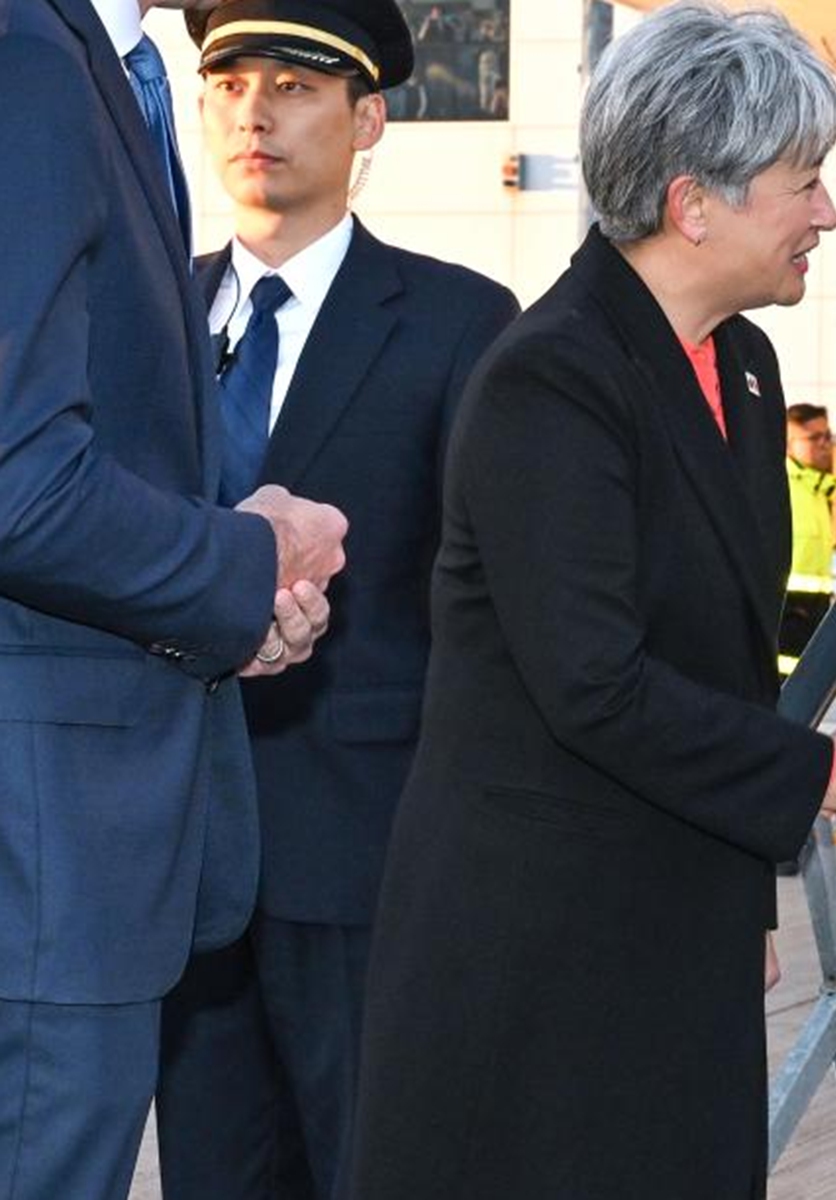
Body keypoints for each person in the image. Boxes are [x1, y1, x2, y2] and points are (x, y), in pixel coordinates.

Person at [340, 7, 836, 1198]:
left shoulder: (745, 366)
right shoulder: (550, 379)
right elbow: (595, 684)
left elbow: (723, 661)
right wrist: (823, 775)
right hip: (539, 953)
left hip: (676, 916)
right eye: (803, 183)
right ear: (692, 205)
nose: (826, 213)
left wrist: (742, 897)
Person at [152, 4, 521, 1198]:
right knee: (209, 1173)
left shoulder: (461, 323)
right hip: (171, 851)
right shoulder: (143, 315)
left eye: (295, 86)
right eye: (229, 84)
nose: (254, 113)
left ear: (367, 121)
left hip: (370, 856)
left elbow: (491, 608)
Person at [0, 1, 348, 1198]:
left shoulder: (101, 64)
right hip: (44, 854)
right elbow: (18, 481)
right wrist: (244, 565)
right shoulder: (33, 58)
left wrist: (230, 588)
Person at [780, 402, 836, 676]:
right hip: (786, 613)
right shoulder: (781, 487)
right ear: (789, 444)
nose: (825, 444)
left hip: (815, 613)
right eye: (815, 438)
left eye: (828, 436)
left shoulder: (817, 491)